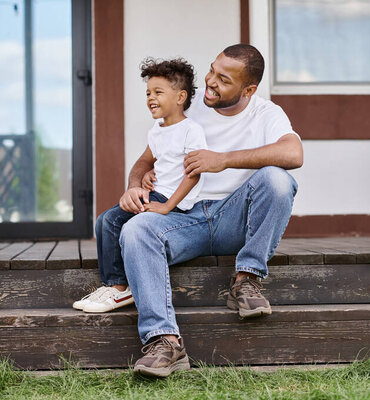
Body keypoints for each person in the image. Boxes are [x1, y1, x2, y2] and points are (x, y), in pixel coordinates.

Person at [106, 44, 302, 377]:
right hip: (185, 220)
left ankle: (246, 280)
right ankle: (165, 343)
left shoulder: (266, 113)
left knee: (278, 180)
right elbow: (143, 162)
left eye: (223, 80)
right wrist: (136, 185)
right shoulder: (188, 110)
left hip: (234, 219)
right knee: (134, 229)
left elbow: (294, 153)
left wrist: (223, 159)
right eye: (212, 70)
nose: (210, 81)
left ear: (248, 89)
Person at [72, 57, 207, 313]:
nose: (150, 98)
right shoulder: (157, 129)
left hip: (172, 202)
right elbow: (149, 161)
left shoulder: (191, 130)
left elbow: (193, 174)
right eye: (148, 93)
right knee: (104, 220)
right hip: (156, 194)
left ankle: (120, 288)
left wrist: (168, 206)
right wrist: (142, 181)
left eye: (158, 92)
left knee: (111, 221)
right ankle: (113, 285)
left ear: (180, 97)